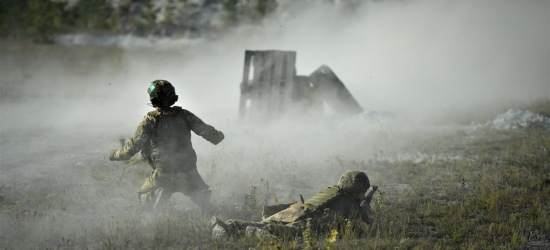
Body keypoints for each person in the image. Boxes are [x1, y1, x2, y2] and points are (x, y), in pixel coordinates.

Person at [109, 80, 224, 211]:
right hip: (189, 170)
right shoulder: (185, 115)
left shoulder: (149, 121)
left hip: (164, 174)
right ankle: (199, 195)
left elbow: (131, 149)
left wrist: (114, 155)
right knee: (198, 190)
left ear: (153, 99)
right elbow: (211, 134)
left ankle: (158, 193)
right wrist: (219, 136)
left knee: (142, 197)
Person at [210, 170, 377, 239]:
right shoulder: (349, 202)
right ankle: (257, 233)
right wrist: (362, 216)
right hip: (309, 218)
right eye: (362, 191)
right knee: (291, 232)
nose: (364, 195)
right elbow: (357, 231)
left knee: (268, 222)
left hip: (294, 209)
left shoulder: (333, 191)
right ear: (354, 190)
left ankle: (226, 226)